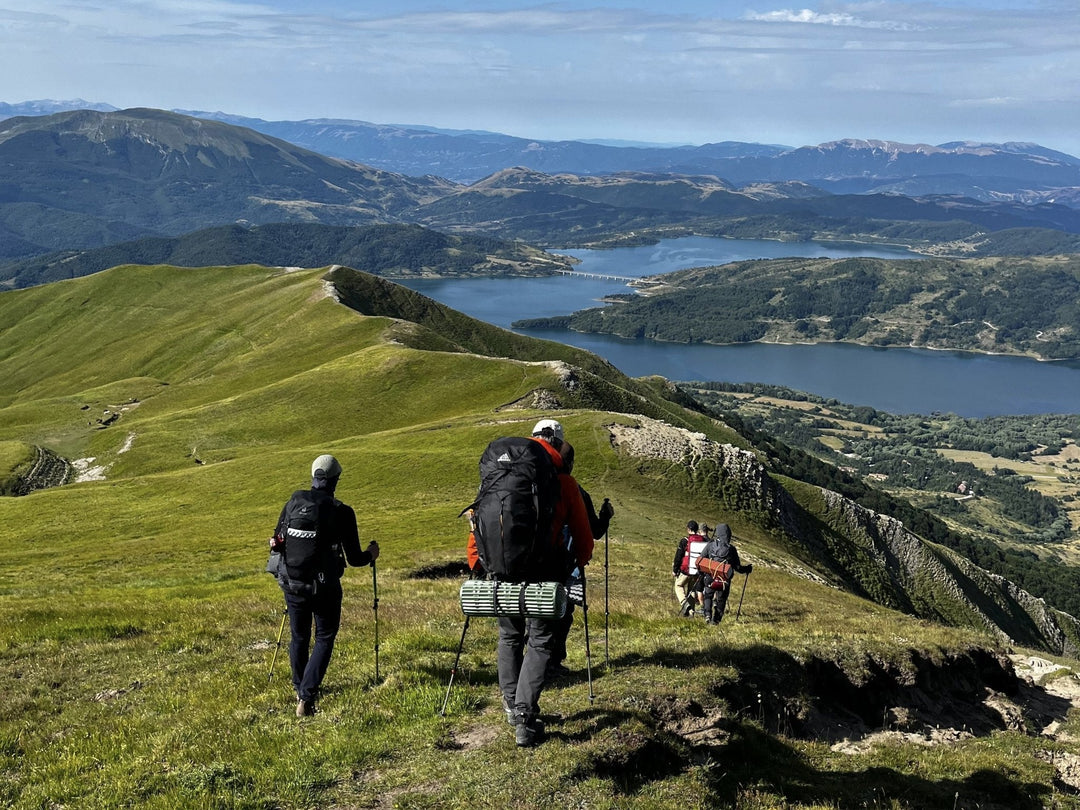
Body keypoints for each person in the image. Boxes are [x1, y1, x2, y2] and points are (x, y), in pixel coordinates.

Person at [465, 418, 594, 747]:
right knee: (539, 641)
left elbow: (480, 523)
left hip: (500, 571)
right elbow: (584, 542)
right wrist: (573, 563)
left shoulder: (499, 470)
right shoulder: (562, 480)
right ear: (557, 442)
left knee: (508, 636)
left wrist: (480, 563)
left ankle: (511, 706)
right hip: (543, 574)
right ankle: (524, 715)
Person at [269, 454, 379, 717]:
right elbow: (354, 559)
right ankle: (306, 697)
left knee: (299, 636)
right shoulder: (342, 511)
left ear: (313, 476)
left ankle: (299, 688)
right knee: (325, 637)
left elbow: (277, 539)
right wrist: (371, 554)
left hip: (292, 582)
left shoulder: (292, 503)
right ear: (335, 479)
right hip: (324, 586)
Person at [548, 439, 614, 679]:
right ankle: (553, 661)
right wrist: (605, 517)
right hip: (565, 562)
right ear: (571, 463)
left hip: (531, 561)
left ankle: (528, 661)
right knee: (563, 611)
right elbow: (594, 531)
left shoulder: (532, 483)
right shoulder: (576, 491)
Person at [700, 523, 752, 625]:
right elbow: (738, 567)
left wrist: (701, 572)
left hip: (710, 576)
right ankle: (716, 620)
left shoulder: (710, 545)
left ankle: (707, 615)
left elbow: (702, 559)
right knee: (721, 599)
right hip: (724, 579)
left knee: (708, 596)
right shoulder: (731, 549)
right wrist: (747, 569)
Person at [672, 520, 706, 616]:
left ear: (688, 529)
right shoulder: (703, 540)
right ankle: (691, 614)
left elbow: (678, 557)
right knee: (692, 591)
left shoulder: (685, 541)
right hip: (697, 571)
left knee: (678, 586)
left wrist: (675, 570)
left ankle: (685, 604)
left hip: (686, 570)